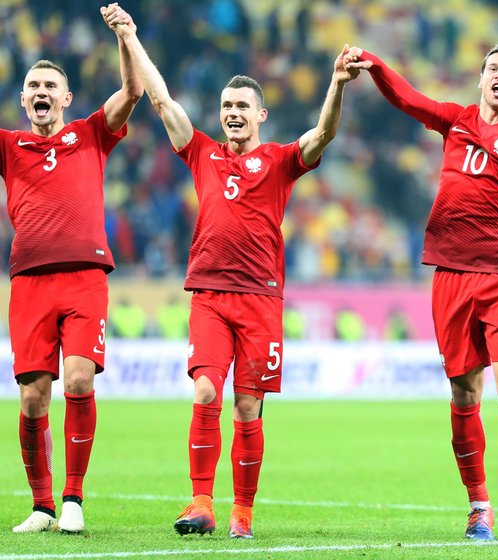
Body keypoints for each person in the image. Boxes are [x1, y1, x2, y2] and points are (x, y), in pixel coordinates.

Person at [102, 4, 358, 539]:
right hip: (210, 295)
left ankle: (243, 511)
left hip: (261, 298)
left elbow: (323, 134)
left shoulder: (281, 161)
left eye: (242, 105)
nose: (233, 112)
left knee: (246, 407)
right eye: (226, 106)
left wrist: (336, 84)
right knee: (205, 393)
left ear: (261, 115)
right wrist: (129, 35)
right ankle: (201, 503)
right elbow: (161, 99)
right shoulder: (202, 153)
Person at [345, 40, 498, 540]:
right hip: (451, 275)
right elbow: (410, 100)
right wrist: (375, 65)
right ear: (481, 79)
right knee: (463, 392)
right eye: (493, 68)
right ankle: (479, 506)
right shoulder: (457, 121)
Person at [4, 4, 142, 534]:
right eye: (33, 86)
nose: (41, 92)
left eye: (50, 86)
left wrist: (125, 37)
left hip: (85, 278)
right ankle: (41, 506)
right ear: (23, 99)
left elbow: (131, 92)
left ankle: (73, 498)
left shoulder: (90, 133)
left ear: (66, 98)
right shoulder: (9, 145)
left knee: (79, 380)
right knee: (32, 398)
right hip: (30, 283)